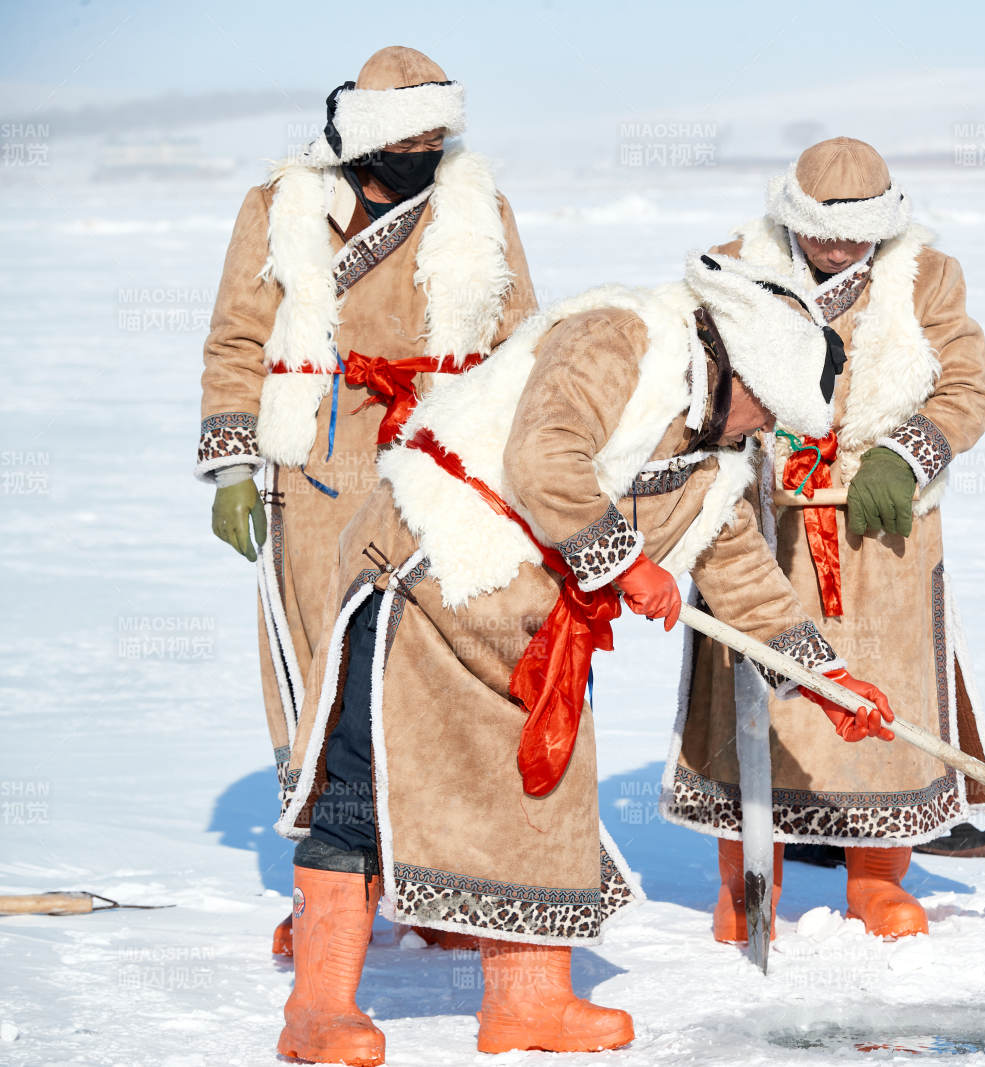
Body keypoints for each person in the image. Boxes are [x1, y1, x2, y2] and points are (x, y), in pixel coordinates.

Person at [271, 252, 897, 1062]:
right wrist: (628, 564)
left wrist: (826, 679)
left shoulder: (719, 458)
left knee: (549, 794)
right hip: (430, 569)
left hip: (534, 624)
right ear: (740, 368)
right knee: (367, 783)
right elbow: (546, 455)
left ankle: (526, 1004)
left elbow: (742, 575)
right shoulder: (620, 339)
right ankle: (317, 1009)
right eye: (767, 410)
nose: (766, 431)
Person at [196, 45, 537, 957]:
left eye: (441, 134)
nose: (428, 148)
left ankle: (434, 879)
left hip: (442, 462)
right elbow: (237, 338)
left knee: (429, 664)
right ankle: (331, 891)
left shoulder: (480, 208)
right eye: (411, 135)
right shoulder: (281, 208)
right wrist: (234, 469)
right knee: (325, 669)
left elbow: (520, 346)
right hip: (317, 463)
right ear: (371, 136)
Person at [664, 136, 985, 942]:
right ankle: (749, 879)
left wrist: (904, 452)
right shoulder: (731, 267)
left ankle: (875, 879)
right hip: (760, 522)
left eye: (857, 235)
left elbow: (966, 387)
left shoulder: (928, 277)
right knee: (753, 706)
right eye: (824, 231)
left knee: (878, 705)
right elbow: (691, 380)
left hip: (879, 532)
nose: (840, 248)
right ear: (793, 217)